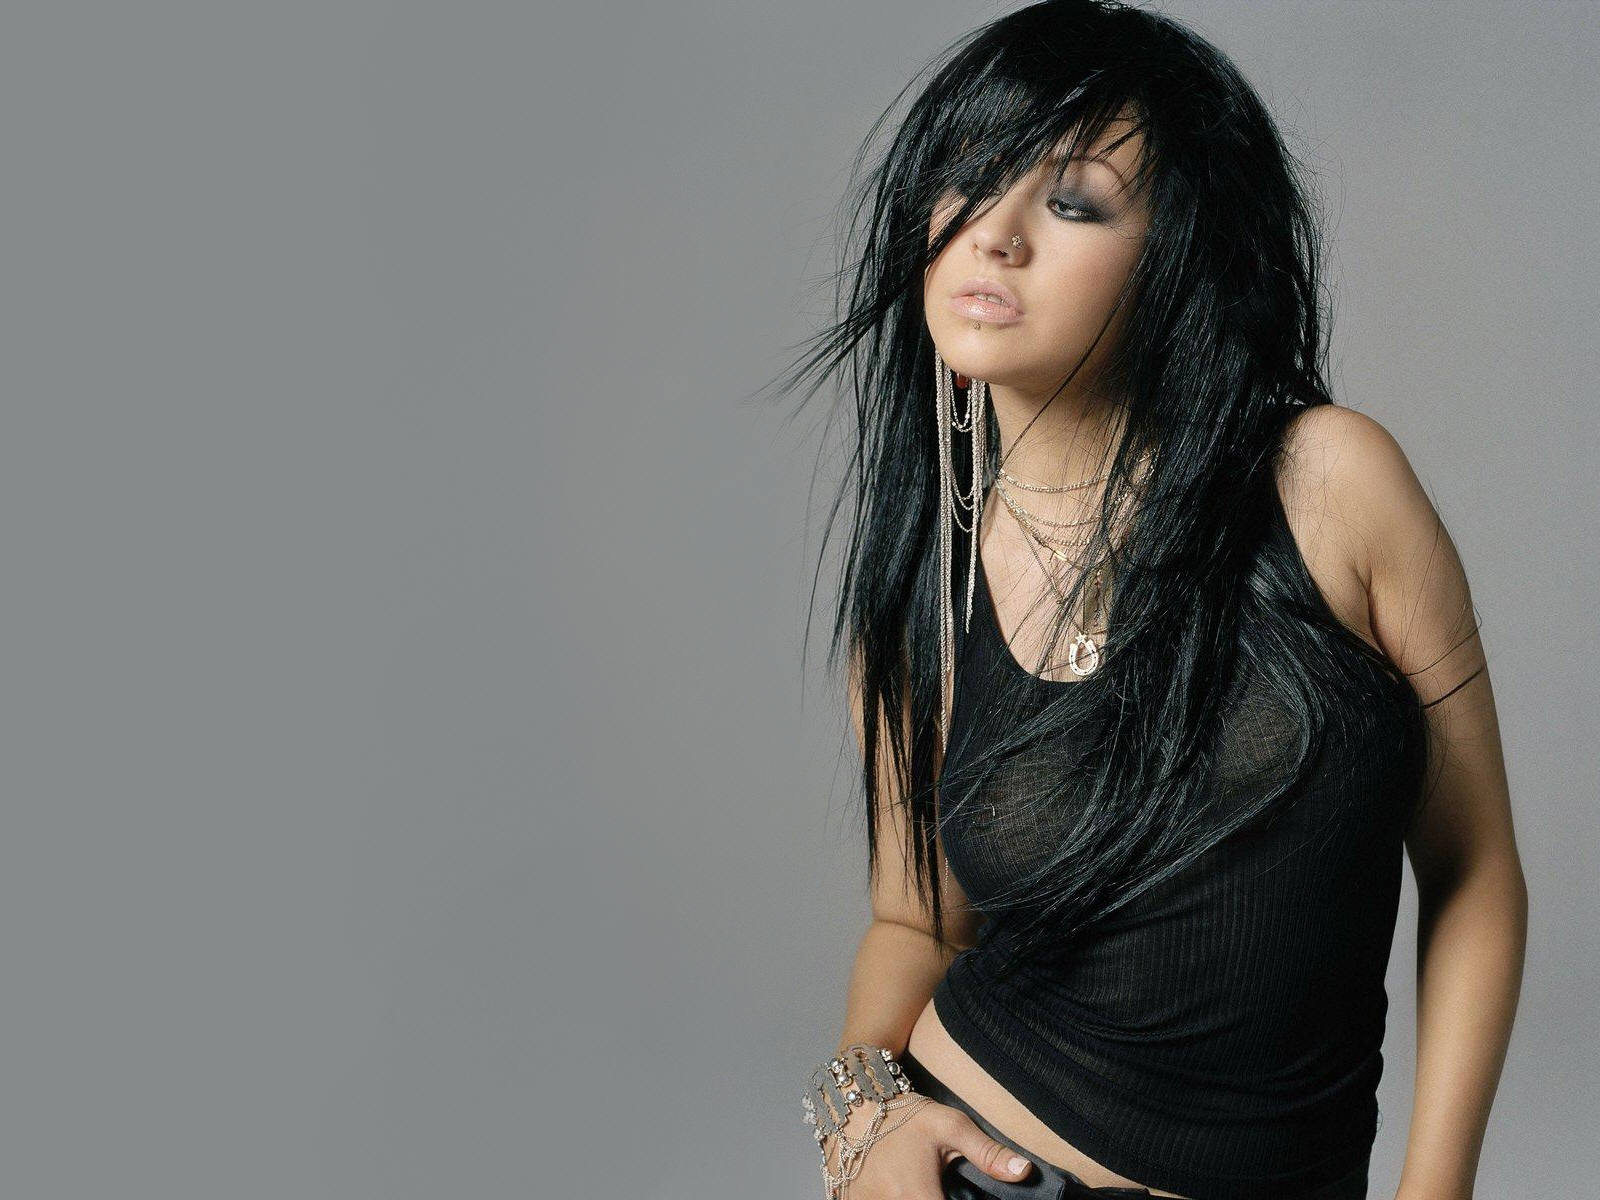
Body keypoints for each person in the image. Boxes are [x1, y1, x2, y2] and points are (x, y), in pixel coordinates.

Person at [771, 3, 1527, 1199]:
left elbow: (1473, 866)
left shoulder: (1328, 485)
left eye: (1073, 202)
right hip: (987, 1171)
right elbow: (916, 925)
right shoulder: (924, 598)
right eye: (966, 177)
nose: (993, 234)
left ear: (1175, 252)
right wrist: (860, 1122)